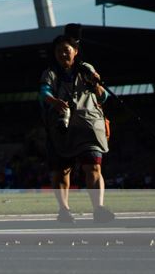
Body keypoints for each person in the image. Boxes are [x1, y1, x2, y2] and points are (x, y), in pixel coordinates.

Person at [39, 35, 115, 223]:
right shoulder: (50, 73)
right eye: (58, 51)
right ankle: (64, 210)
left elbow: (103, 97)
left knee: (94, 166)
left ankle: (99, 208)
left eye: (66, 49)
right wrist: (55, 102)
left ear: (75, 51)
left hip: (88, 125)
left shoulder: (86, 69)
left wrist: (96, 83)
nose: (62, 53)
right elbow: (44, 92)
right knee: (62, 170)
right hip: (62, 128)